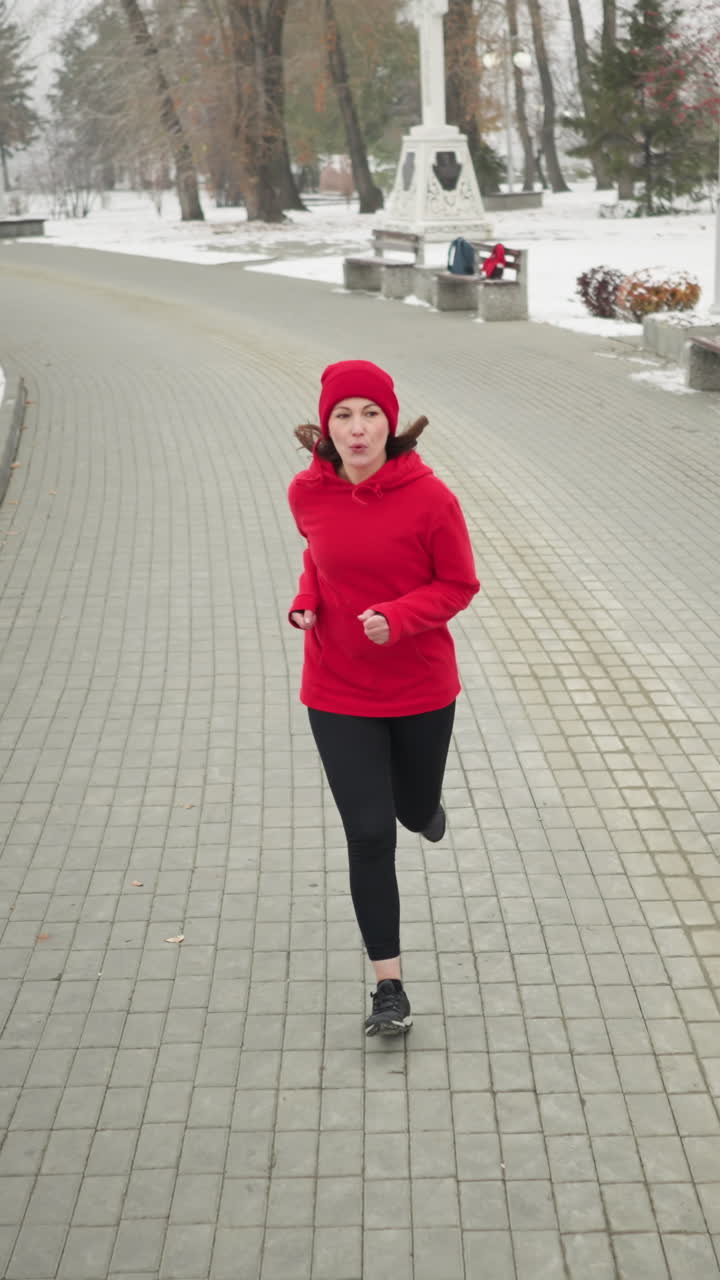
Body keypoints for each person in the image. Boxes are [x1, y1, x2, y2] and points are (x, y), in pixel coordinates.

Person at [287, 360, 480, 1037]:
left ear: (390, 423)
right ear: (327, 426)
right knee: (369, 837)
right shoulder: (307, 493)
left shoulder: (432, 501)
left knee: (412, 808)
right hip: (336, 687)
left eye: (370, 414)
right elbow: (317, 554)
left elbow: (459, 586)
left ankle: (424, 808)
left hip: (421, 686)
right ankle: (388, 988)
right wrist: (308, 600)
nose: (357, 428)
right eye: (344, 415)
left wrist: (398, 616)